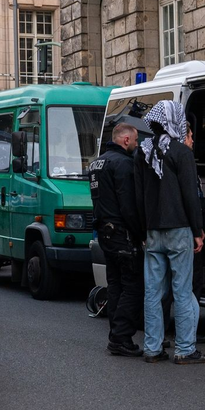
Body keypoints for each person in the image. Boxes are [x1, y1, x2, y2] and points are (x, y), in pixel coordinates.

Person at [134, 100, 205, 364]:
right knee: (182, 289)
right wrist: (197, 230)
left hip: (153, 230)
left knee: (153, 292)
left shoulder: (142, 152)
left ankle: (152, 348)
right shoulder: (181, 152)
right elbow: (191, 195)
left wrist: (143, 230)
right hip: (179, 229)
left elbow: (138, 196)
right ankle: (185, 349)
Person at [89, 122, 144, 357]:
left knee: (115, 285)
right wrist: (141, 234)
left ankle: (116, 335)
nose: (137, 145)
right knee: (132, 287)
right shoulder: (124, 164)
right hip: (122, 233)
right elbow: (129, 205)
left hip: (104, 232)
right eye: (136, 141)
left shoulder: (96, 163)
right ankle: (121, 338)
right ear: (125, 140)